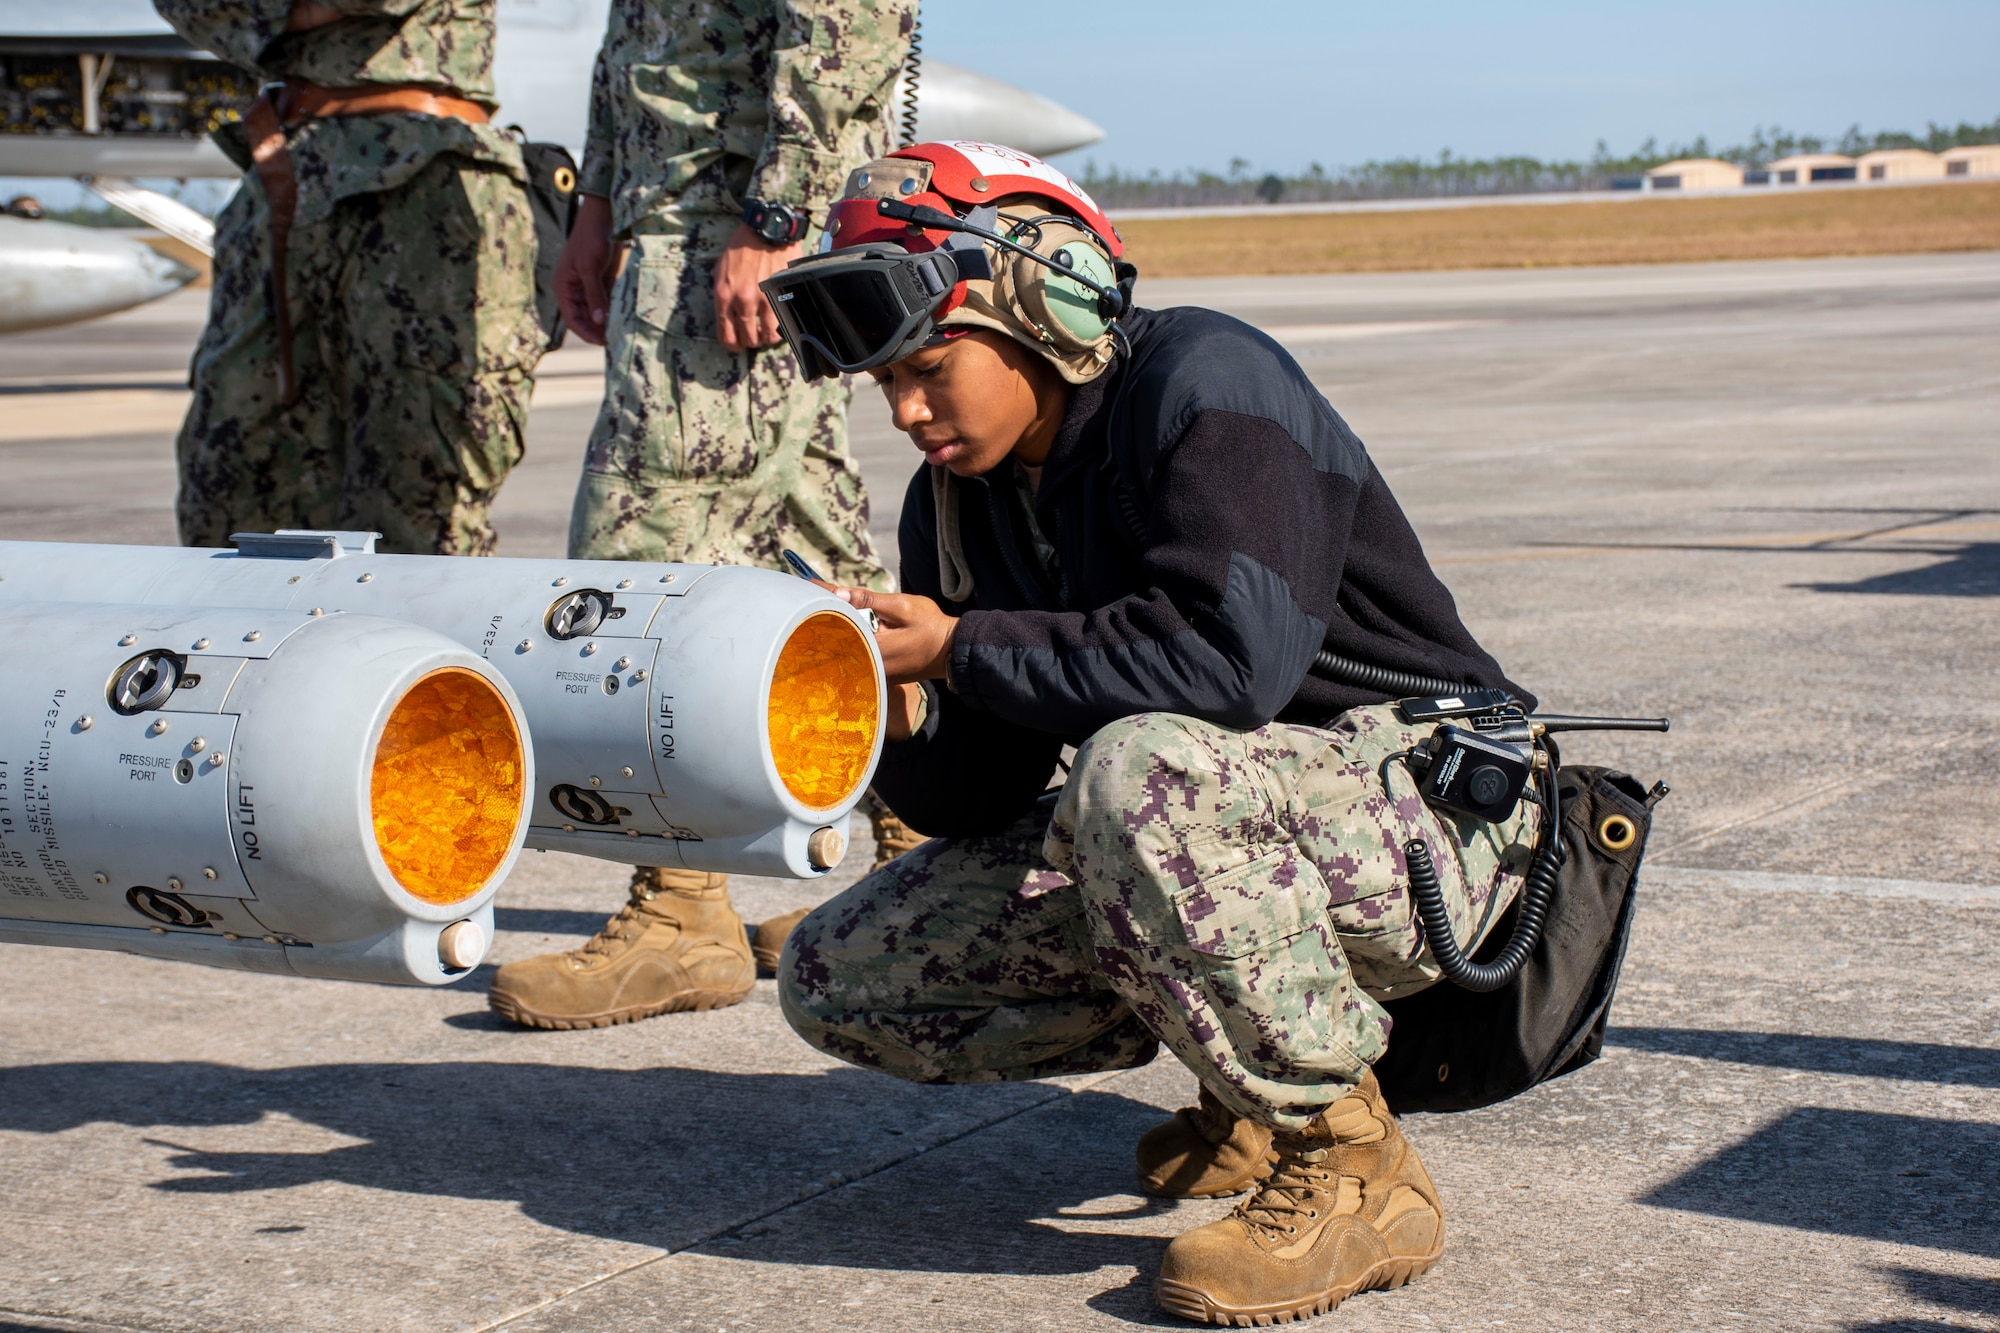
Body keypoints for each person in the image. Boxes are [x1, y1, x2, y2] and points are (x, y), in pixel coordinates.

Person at [765, 141, 1541, 1324]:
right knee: (836, 973)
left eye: (927, 368)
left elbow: (1227, 664)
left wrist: (962, 647)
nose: (907, 412)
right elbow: (976, 789)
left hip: (1441, 818)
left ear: (1044, 300)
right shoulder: (958, 497)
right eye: (884, 390)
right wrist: (874, 702)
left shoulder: (1207, 382)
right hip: (1234, 830)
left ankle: (1349, 1165)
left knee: (1137, 772)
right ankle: (1248, 1077)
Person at [485, 0, 919, 1032]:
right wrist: (595, 207)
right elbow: (633, 47)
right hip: (674, 227)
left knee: (643, 572)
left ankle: (678, 913)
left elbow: (847, 25)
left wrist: (775, 218)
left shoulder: (755, 227)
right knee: (814, 557)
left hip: (731, 238)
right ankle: (923, 863)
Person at [156, 0, 544, 556]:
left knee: (419, 502)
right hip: (283, 173)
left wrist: (267, 17)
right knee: (234, 492)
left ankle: (419, 643)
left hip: (426, 176)